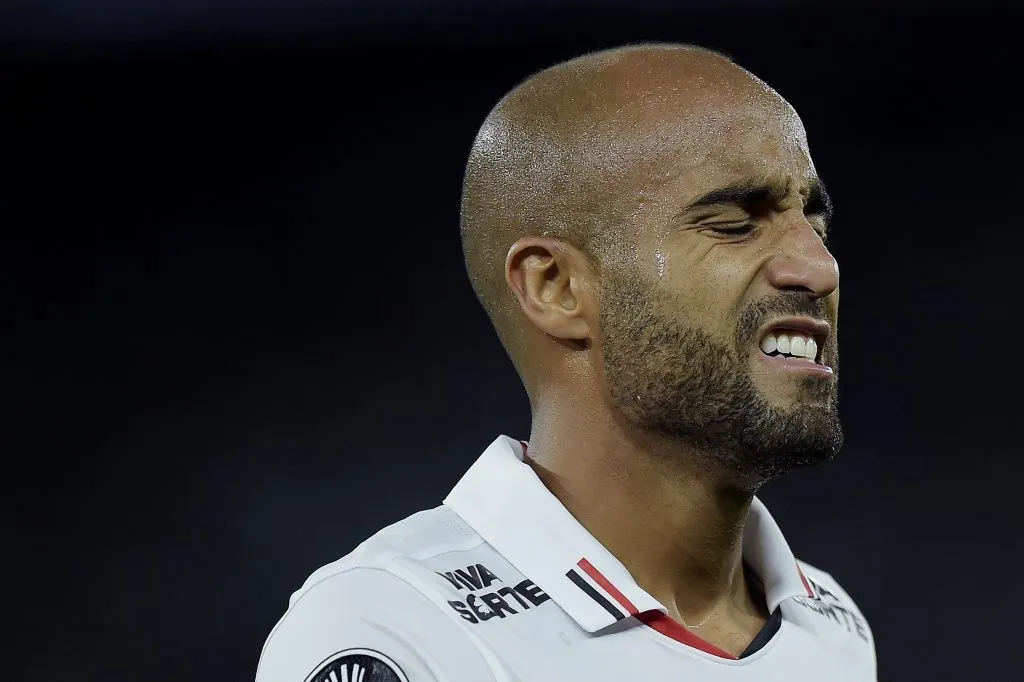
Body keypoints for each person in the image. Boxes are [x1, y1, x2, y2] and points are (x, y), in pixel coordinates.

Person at [255, 42, 876, 681]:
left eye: (815, 226)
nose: (819, 267)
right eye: (733, 225)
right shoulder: (398, 628)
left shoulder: (833, 626)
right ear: (555, 287)